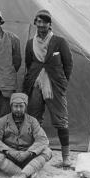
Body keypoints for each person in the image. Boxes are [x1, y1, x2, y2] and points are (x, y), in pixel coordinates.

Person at [23, 9, 73, 167]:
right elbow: (29, 63)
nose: (41, 25)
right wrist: (35, 77)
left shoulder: (60, 41)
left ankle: (66, 157)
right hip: (36, 84)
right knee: (34, 118)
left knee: (61, 119)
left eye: (45, 22)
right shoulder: (31, 43)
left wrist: (62, 83)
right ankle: (36, 151)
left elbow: (68, 64)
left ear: (50, 24)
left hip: (55, 85)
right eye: (38, 22)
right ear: (35, 23)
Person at [0, 93, 52, 178]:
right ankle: (26, 174)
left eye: (21, 106)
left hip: (28, 155)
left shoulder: (33, 121)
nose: (18, 109)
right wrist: (9, 151)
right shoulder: (2, 121)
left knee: (48, 151)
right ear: (11, 106)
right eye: (15, 106)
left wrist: (29, 152)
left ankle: (22, 174)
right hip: (10, 156)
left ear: (25, 107)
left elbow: (42, 139)